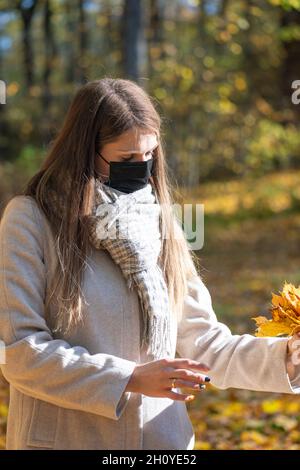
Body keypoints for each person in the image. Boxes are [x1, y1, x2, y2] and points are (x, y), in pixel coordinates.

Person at [0, 78, 299, 451]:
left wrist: (286, 357)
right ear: (84, 152)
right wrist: (128, 378)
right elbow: (19, 352)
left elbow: (202, 342)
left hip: (162, 443)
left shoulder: (163, 223)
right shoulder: (30, 219)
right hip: (66, 440)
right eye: (126, 159)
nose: (140, 168)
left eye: (149, 155)